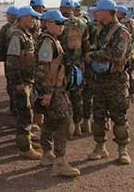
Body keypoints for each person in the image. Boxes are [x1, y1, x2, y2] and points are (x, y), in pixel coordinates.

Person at [85, 0, 132, 165]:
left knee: (119, 116)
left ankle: (122, 150)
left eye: (98, 11)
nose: (96, 13)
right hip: (99, 80)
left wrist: (94, 55)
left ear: (106, 12)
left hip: (116, 81)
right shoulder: (100, 31)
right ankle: (100, 147)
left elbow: (117, 55)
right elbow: (93, 48)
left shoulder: (121, 32)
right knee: (98, 116)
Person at [35, 10, 81, 177]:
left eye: (63, 23)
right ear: (48, 23)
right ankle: (60, 161)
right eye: (59, 23)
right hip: (53, 90)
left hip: (54, 88)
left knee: (51, 120)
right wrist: (46, 93)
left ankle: (47, 154)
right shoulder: (48, 42)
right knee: (66, 122)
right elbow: (43, 69)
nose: (62, 26)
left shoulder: (52, 40)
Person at [7, 6, 43, 159]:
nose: (33, 20)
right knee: (24, 115)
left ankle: (26, 141)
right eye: (31, 17)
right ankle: (24, 148)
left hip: (28, 80)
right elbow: (12, 61)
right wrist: (18, 83)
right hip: (21, 82)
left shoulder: (25, 35)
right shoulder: (17, 36)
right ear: (22, 18)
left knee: (28, 113)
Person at [59, 0, 90, 137]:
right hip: (77, 66)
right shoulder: (82, 23)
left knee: (62, 96)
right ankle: (78, 125)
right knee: (77, 96)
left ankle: (68, 127)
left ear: (61, 8)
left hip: (61, 66)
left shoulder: (59, 23)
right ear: (73, 8)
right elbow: (86, 45)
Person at [0, 6, 18, 115]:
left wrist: (1, 58)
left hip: (10, 61)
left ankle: (14, 108)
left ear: (10, 16)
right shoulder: (23, 28)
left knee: (11, 84)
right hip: (23, 62)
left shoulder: (6, 28)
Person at [117, 5, 134, 103]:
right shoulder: (131, 22)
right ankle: (132, 94)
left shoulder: (124, 24)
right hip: (130, 53)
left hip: (125, 54)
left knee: (124, 75)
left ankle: (127, 95)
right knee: (130, 74)